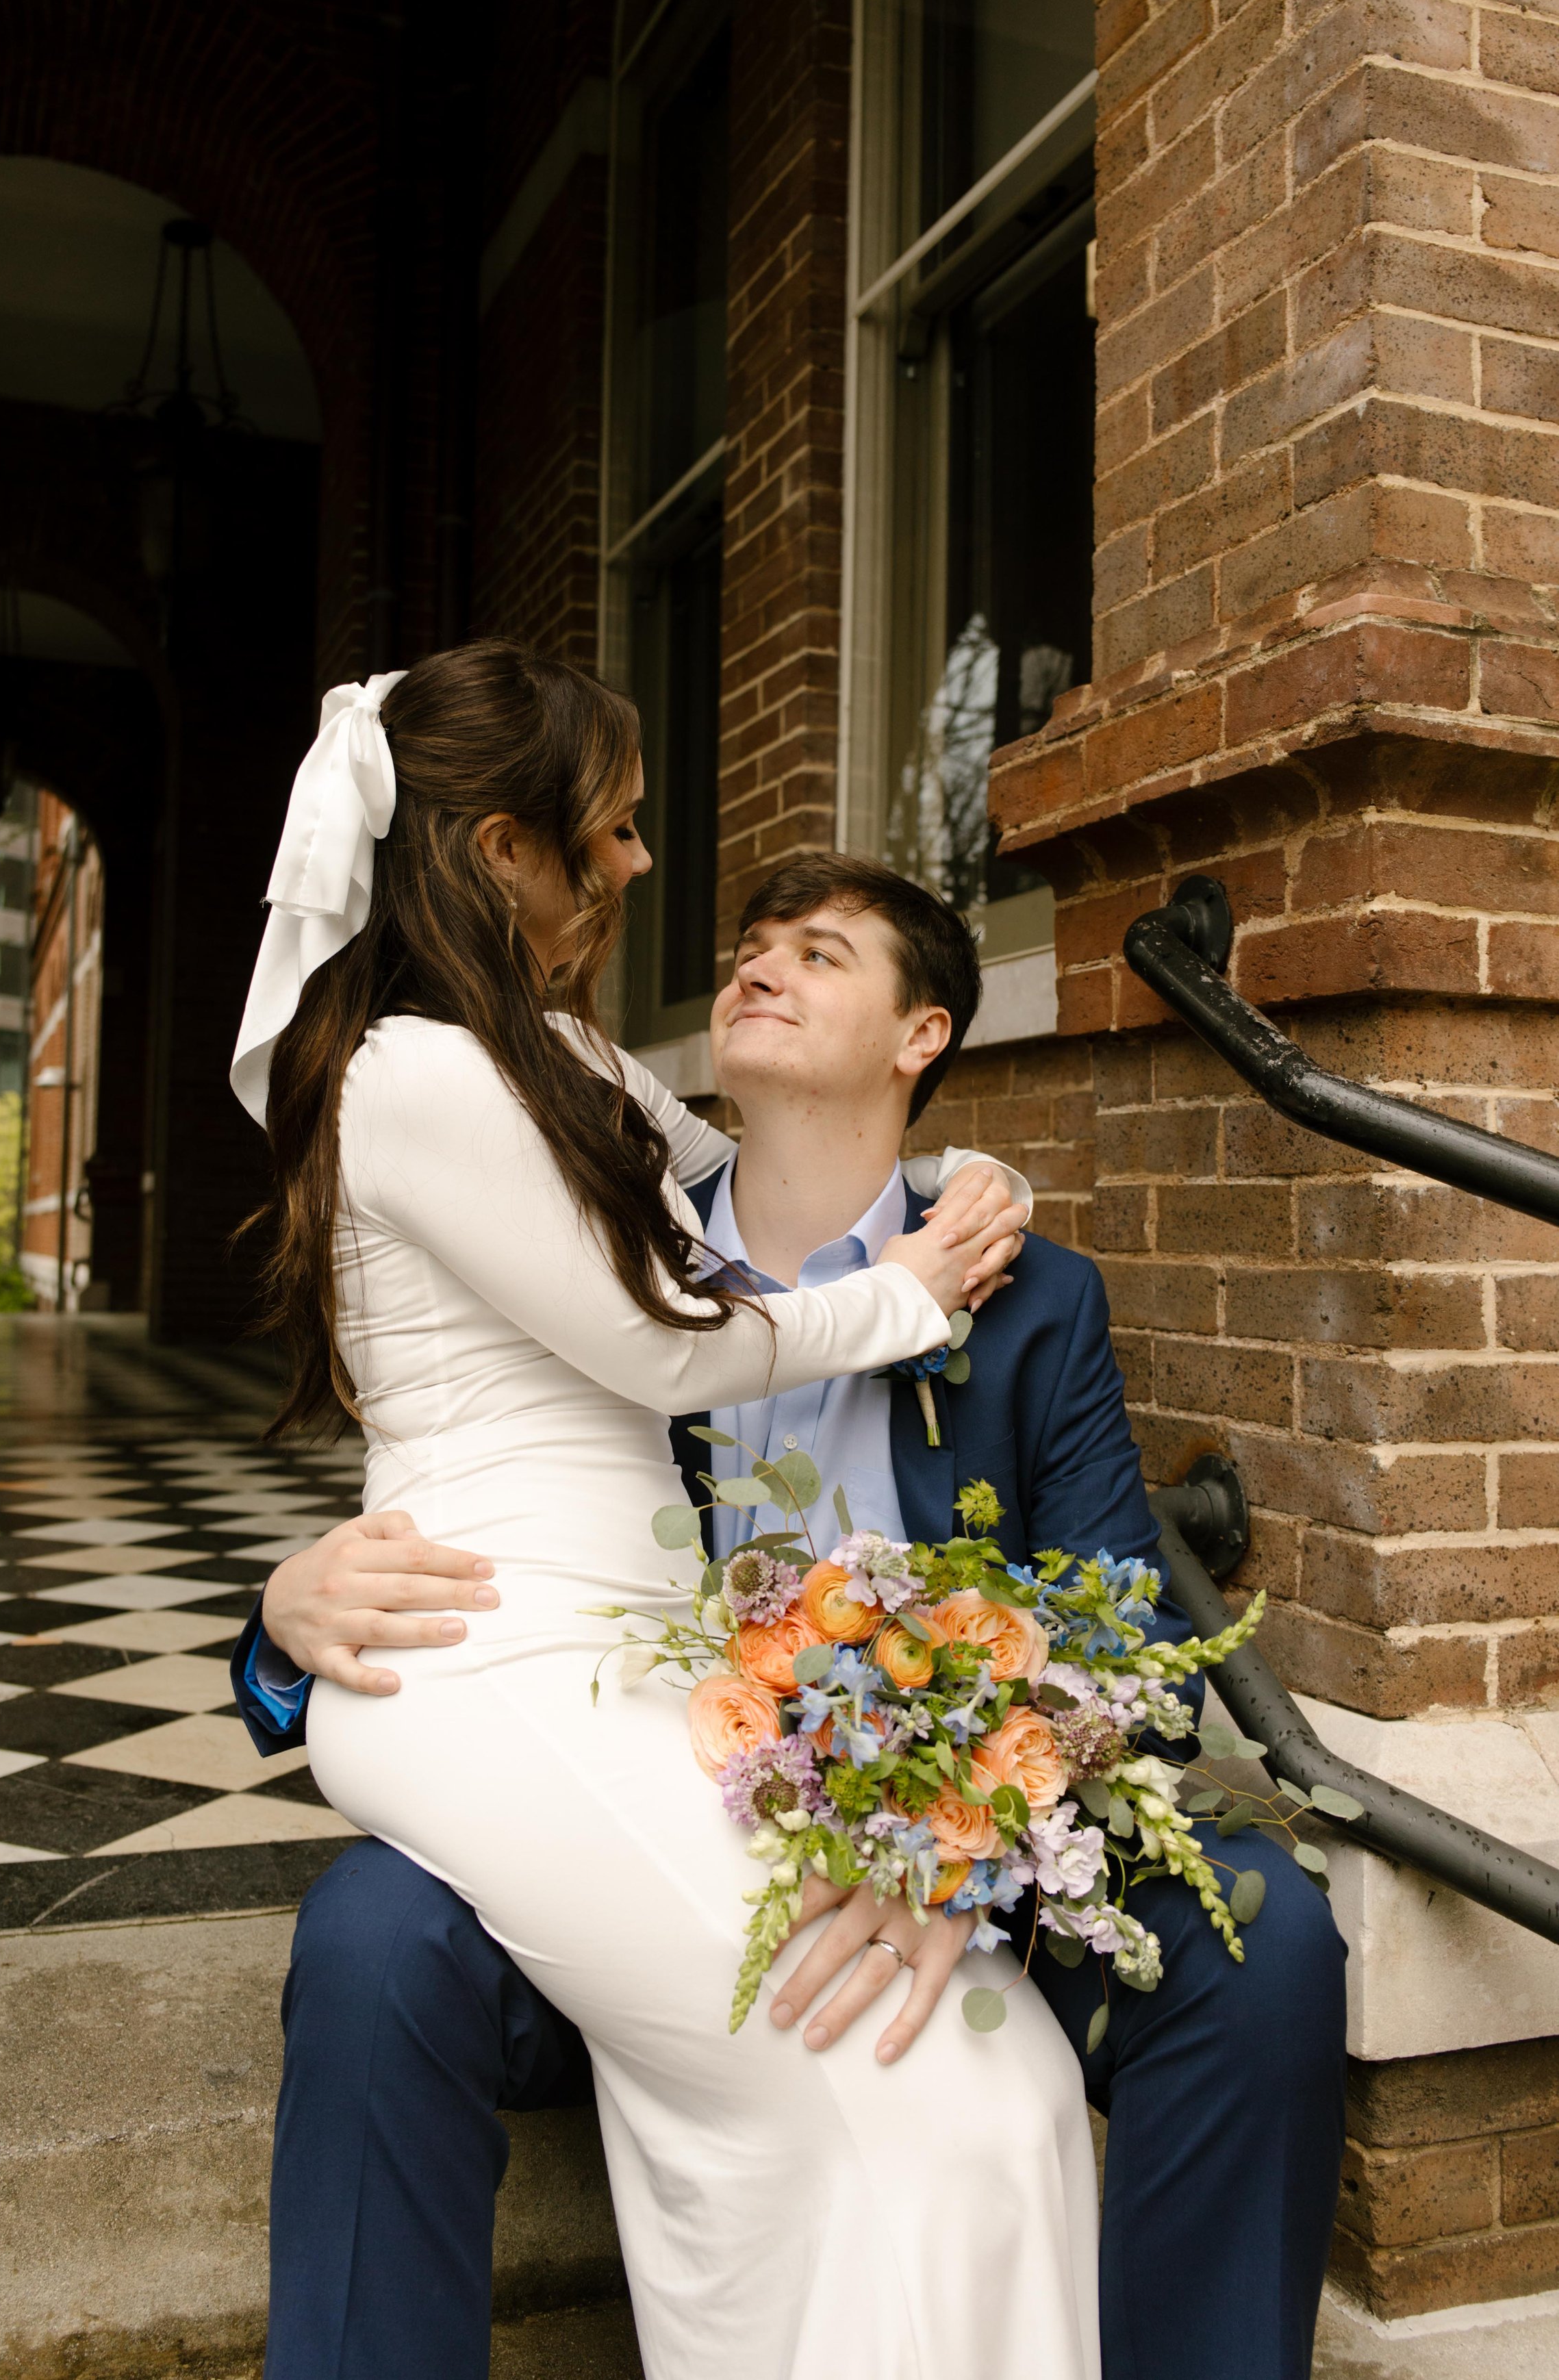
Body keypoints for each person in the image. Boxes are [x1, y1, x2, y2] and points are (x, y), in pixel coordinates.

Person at [237, 839, 1349, 2380]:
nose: (757, 963)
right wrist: (286, 1620)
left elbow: (1141, 1659)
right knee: (372, 1934)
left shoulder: (1027, 1293)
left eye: (820, 952)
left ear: (920, 1038)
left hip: (950, 1855)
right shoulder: (589, 1227)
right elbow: (460, 1463)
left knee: (1262, 1934)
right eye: (752, 942)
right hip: (640, 1834)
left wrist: (951, 1840)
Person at [229, 646, 1094, 2380]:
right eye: (610, 833)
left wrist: (955, 1184)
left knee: (954, 2095)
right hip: (485, 1663)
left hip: (619, 1669)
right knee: (953, 2078)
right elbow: (661, 1334)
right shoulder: (409, 1072)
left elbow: (731, 1189)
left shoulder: (552, 1056)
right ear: (497, 854)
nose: (639, 869)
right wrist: (910, 1293)